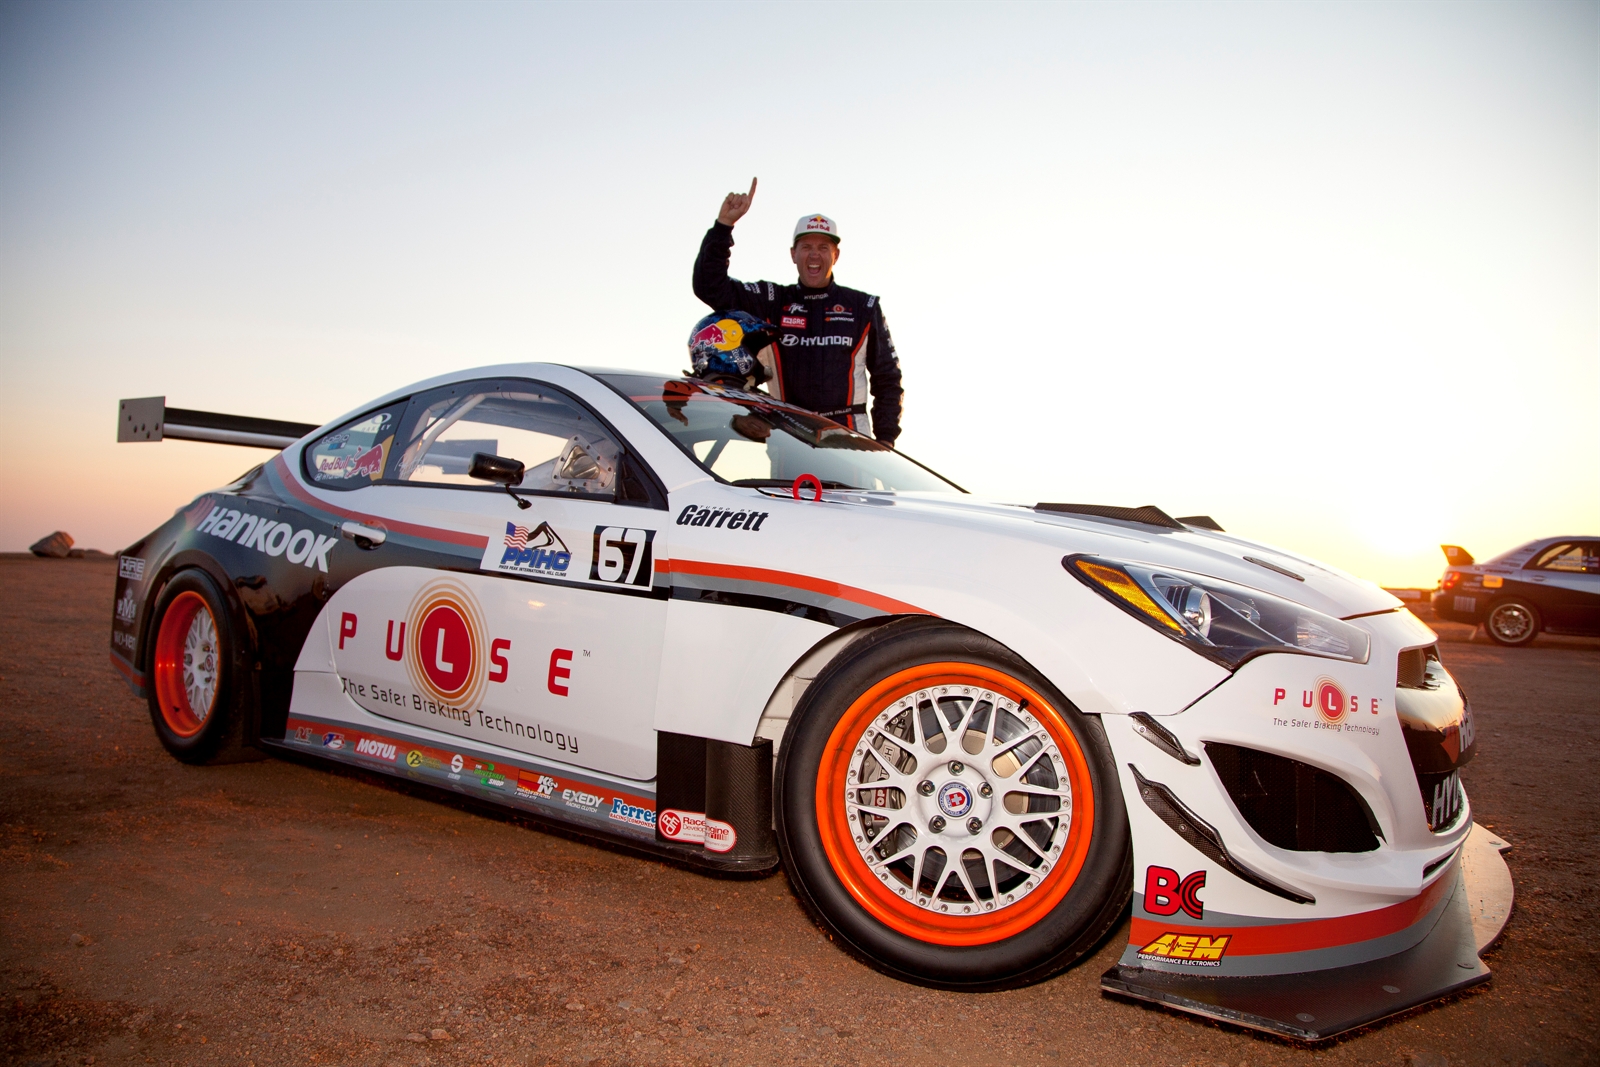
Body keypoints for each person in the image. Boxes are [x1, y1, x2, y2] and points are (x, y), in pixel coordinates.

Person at [691, 177, 904, 446]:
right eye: (806, 247)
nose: (814, 255)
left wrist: (886, 440)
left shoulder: (863, 306)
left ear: (835, 254)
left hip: (852, 444)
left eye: (823, 247)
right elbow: (709, 287)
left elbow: (888, 379)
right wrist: (724, 226)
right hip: (790, 442)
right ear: (793, 254)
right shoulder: (772, 301)